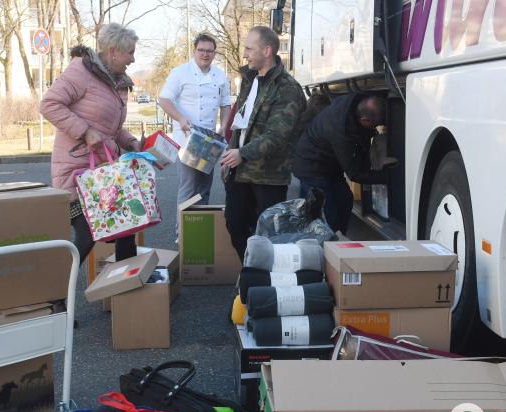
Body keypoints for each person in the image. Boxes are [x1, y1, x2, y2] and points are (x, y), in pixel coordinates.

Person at [40, 23, 141, 272]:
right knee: (87, 235)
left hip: (101, 173)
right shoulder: (81, 72)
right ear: (113, 51)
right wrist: (84, 132)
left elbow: (111, 129)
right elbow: (49, 104)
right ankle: (53, 292)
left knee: (126, 226)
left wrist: (130, 142)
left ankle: (127, 291)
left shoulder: (115, 83)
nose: (133, 58)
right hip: (76, 172)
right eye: (130, 52)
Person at [220, 26, 306, 261]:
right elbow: (241, 124)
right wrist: (230, 155)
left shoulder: (287, 88)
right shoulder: (249, 80)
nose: (244, 53)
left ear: (267, 50)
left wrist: (242, 153)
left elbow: (277, 135)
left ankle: (265, 281)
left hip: (268, 176)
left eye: (249, 48)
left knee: (269, 235)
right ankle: (251, 272)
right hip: (239, 171)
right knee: (235, 225)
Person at [292, 93, 389, 234]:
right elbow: (355, 174)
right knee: (328, 216)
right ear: (364, 120)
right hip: (312, 168)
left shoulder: (354, 104)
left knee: (345, 200)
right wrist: (387, 177)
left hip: (328, 166)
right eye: (375, 125)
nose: (376, 128)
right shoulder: (339, 131)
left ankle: (339, 240)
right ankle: (325, 247)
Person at [159, 33, 232, 208]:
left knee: (204, 189)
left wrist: (223, 126)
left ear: (215, 53)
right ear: (194, 50)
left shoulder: (220, 75)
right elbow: (164, 100)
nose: (205, 54)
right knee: (188, 188)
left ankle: (200, 231)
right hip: (187, 139)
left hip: (210, 139)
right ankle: (182, 235)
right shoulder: (180, 72)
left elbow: (226, 105)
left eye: (209, 51)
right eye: (201, 50)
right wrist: (180, 119)